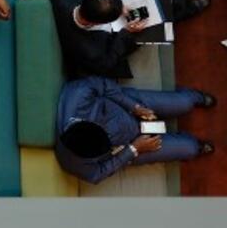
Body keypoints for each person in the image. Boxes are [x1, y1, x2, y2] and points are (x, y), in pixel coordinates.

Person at [51, 0, 210, 79]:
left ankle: (183, 6)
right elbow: (109, 62)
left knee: (158, 9)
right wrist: (126, 32)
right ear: (93, 23)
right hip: (115, 41)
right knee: (161, 13)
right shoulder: (91, 52)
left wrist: (120, 8)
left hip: (101, 19)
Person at [54, 76, 215, 185]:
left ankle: (195, 97)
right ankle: (195, 145)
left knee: (185, 103)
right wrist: (133, 149)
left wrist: (134, 106)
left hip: (128, 106)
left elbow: (104, 85)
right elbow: (99, 173)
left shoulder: (77, 95)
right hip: (129, 145)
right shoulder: (71, 162)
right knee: (190, 148)